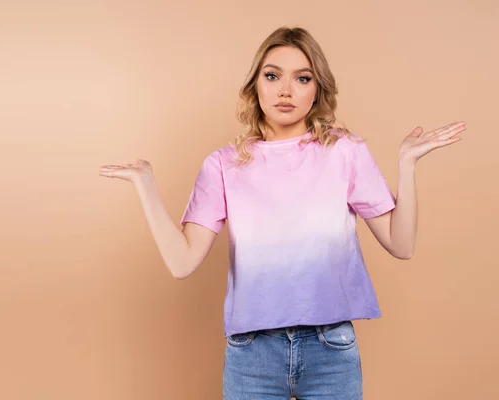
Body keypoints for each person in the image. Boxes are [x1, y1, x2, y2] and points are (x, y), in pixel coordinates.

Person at [99, 26, 466, 400]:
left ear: (317, 89)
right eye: (272, 76)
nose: (285, 90)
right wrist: (146, 185)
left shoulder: (345, 152)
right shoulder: (223, 165)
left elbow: (401, 245)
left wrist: (407, 163)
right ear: (255, 85)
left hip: (331, 349)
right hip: (252, 354)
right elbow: (182, 262)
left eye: (302, 78)